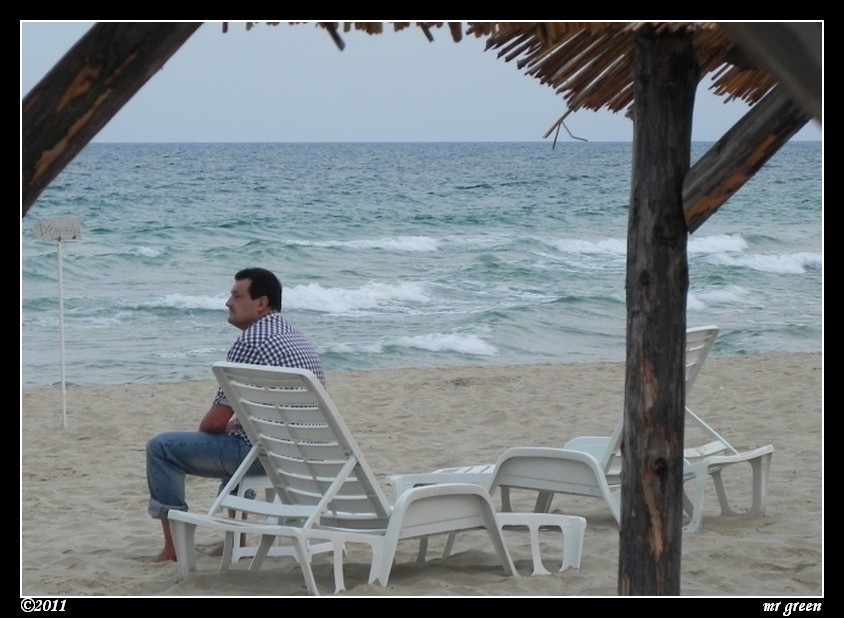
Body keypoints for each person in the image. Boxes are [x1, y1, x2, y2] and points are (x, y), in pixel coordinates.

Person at [146, 267, 325, 563]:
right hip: (301, 455)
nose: (228, 303)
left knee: (161, 448)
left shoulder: (252, 342)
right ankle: (235, 539)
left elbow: (214, 422)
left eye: (236, 296)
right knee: (246, 435)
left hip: (264, 455)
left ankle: (174, 548)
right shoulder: (295, 336)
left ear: (261, 303)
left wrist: (224, 426)